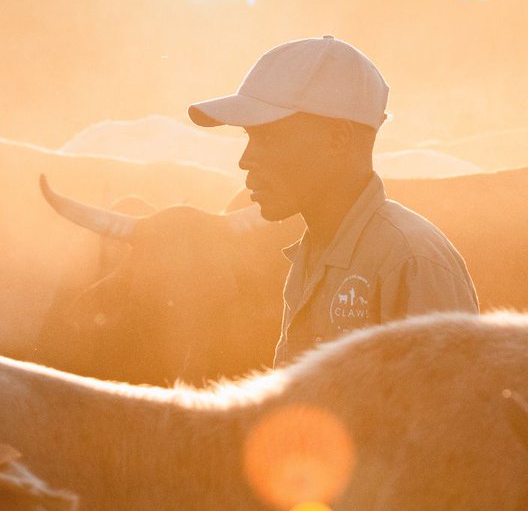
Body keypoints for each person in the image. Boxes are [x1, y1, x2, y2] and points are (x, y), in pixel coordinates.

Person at [188, 35, 479, 367]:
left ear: (338, 139)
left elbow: (449, 414)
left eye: (267, 136)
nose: (245, 159)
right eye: (248, 136)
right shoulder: (312, 255)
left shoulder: (412, 262)